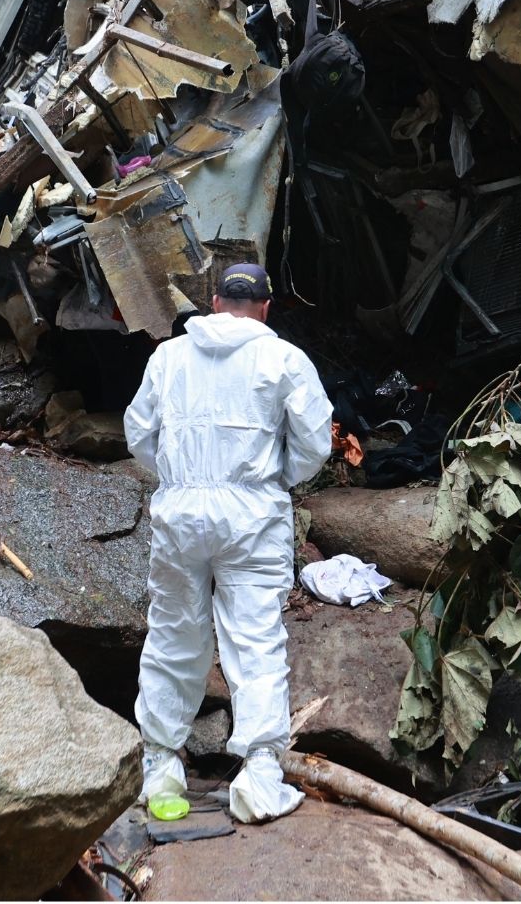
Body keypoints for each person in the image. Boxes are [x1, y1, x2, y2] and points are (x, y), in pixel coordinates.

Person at [125, 264, 334, 824]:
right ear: (266, 307)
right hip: (252, 515)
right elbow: (314, 445)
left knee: (173, 634)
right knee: (256, 638)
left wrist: (181, 477)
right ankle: (260, 775)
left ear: (214, 301)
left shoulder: (168, 357)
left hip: (181, 509)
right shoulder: (285, 359)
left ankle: (162, 764)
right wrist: (270, 480)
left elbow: (139, 434)